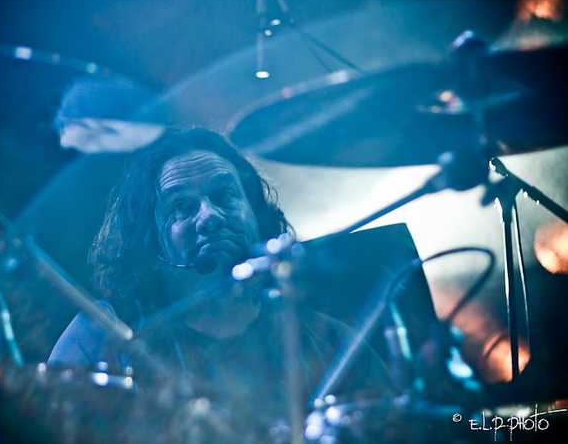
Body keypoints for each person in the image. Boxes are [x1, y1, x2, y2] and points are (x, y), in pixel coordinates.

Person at [48, 127, 390, 442]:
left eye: (224, 195)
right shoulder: (105, 333)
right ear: (148, 238)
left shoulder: (332, 343)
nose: (209, 216)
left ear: (256, 213)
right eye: (181, 206)